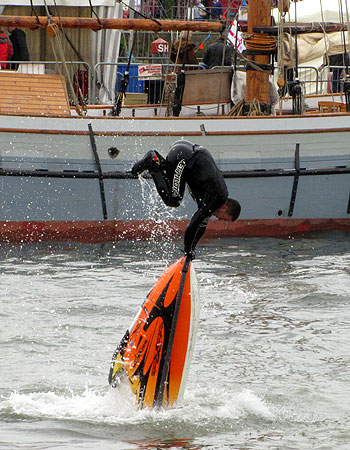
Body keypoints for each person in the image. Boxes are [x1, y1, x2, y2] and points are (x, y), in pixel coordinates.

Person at [131, 140, 241, 259]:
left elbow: (201, 227)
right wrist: (188, 251)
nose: (219, 219)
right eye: (223, 218)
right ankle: (152, 162)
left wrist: (191, 248)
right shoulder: (216, 199)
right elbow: (193, 225)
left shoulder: (213, 198)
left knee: (174, 193)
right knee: (173, 199)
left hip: (186, 156)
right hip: (184, 157)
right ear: (225, 207)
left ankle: (156, 161)